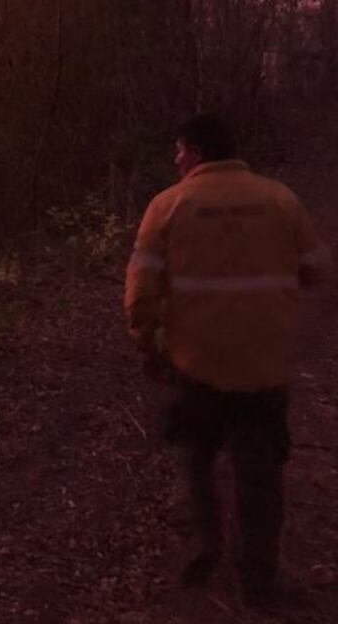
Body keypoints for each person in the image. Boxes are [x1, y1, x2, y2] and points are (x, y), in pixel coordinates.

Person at [124, 114, 331, 603]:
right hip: (265, 368)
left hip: (197, 366)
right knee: (260, 476)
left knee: (196, 458)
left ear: (195, 152)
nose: (175, 159)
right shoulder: (279, 199)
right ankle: (258, 578)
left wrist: (147, 344)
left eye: (178, 151)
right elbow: (318, 270)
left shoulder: (168, 206)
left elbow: (140, 293)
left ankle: (206, 542)